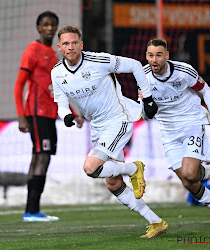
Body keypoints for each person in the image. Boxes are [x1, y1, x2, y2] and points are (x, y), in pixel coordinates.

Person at [51, 25, 168, 239]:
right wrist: (65, 115)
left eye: (74, 42)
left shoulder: (98, 61)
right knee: (113, 183)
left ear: (81, 45)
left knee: (90, 167)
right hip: (97, 127)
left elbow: (134, 65)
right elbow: (60, 103)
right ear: (59, 47)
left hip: (118, 120)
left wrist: (148, 97)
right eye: (66, 44)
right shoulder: (57, 73)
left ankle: (133, 168)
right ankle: (156, 222)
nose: (70, 47)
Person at [14, 12, 83, 222]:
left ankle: (32, 211)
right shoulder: (33, 50)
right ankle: (32, 210)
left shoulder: (54, 54)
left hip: (50, 113)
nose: (49, 28)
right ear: (38, 28)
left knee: (41, 157)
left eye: (53, 24)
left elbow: (57, 89)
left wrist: (70, 111)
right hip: (36, 112)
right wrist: (21, 115)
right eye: (45, 25)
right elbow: (19, 84)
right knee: (41, 157)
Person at [142, 38, 210, 208]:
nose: (154, 59)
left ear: (167, 55)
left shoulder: (184, 71)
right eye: (151, 55)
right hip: (168, 132)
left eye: (159, 55)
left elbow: (205, 89)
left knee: (190, 173)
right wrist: (145, 110)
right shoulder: (142, 76)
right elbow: (145, 113)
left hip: (191, 124)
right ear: (146, 56)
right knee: (188, 181)